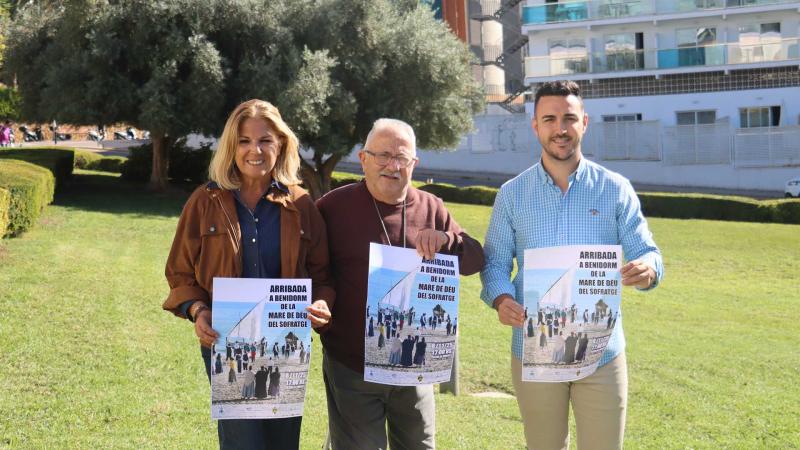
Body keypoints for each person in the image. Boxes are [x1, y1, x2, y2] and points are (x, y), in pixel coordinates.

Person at [480, 81, 663, 450]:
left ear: (584, 123)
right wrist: (501, 299)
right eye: (549, 119)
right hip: (535, 351)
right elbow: (495, 263)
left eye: (569, 118)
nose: (560, 129)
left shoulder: (615, 189)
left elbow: (647, 251)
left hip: (602, 354)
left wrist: (647, 269)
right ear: (535, 126)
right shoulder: (512, 195)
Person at [162, 99, 335, 450]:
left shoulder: (302, 205)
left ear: (281, 144)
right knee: (243, 442)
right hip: (227, 345)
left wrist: (321, 303)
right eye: (244, 141)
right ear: (231, 146)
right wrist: (198, 310)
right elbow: (180, 272)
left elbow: (323, 276)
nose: (254, 150)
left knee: (282, 443)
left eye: (265, 140)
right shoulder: (205, 201)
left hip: (286, 346)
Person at [316, 118, 484, 449]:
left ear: (414, 164)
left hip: (415, 364)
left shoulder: (431, 207)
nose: (392, 166)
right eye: (383, 155)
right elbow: (313, 268)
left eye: (401, 157)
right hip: (353, 365)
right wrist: (321, 301)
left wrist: (447, 239)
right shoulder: (332, 207)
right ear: (363, 159)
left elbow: (475, 259)